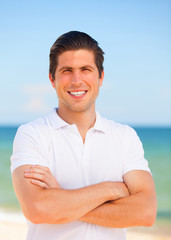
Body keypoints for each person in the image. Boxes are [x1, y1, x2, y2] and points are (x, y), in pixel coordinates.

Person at [11, 31, 157, 240]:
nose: (77, 80)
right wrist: (112, 190)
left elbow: (145, 212)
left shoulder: (125, 136)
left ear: (101, 77)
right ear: (52, 79)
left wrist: (61, 199)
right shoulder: (32, 134)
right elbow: (38, 209)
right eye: (67, 70)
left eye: (85, 69)